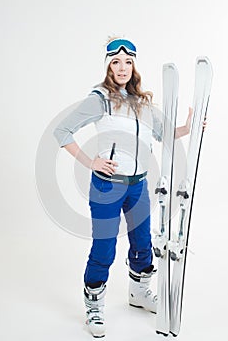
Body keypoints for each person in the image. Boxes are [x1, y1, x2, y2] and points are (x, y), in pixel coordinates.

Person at [53, 37, 196, 338]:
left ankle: (139, 293)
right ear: (108, 66)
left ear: (134, 66)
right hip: (107, 187)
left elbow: (162, 133)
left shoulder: (142, 102)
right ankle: (94, 303)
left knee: (143, 244)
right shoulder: (99, 99)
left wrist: (189, 127)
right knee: (104, 249)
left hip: (139, 186)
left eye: (128, 62)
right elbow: (61, 130)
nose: (122, 68)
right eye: (116, 62)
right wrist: (90, 161)